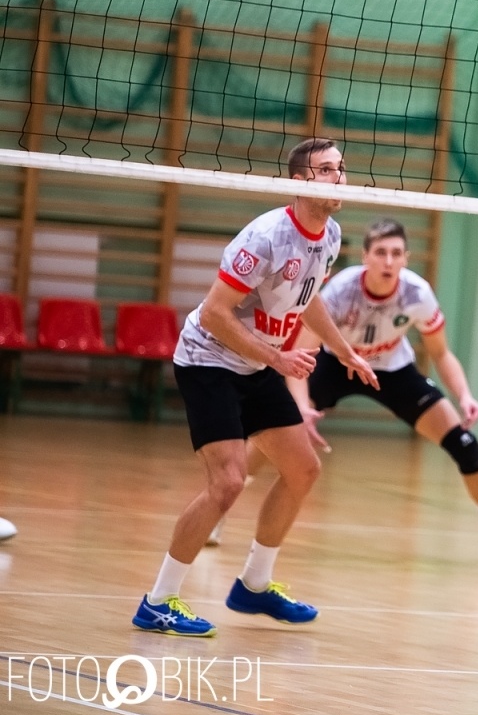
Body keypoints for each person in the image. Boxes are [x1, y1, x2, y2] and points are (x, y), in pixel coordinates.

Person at [133, 138, 376, 637]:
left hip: (256, 362)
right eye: (327, 169)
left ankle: (254, 586)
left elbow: (306, 300)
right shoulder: (264, 237)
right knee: (226, 483)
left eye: (342, 168)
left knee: (303, 468)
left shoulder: (329, 234)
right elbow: (217, 313)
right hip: (208, 360)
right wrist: (278, 359)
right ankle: (157, 601)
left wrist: (343, 349)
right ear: (299, 181)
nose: (340, 177)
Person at [296, 218, 478, 567]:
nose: (388, 261)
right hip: (337, 364)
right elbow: (304, 354)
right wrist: (302, 408)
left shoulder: (417, 294)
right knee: (276, 432)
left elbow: (440, 353)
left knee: (464, 445)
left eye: (396, 254)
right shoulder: (339, 292)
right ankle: (222, 517)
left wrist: (465, 396)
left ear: (406, 258)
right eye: (380, 253)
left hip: (393, 370)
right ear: (365, 257)